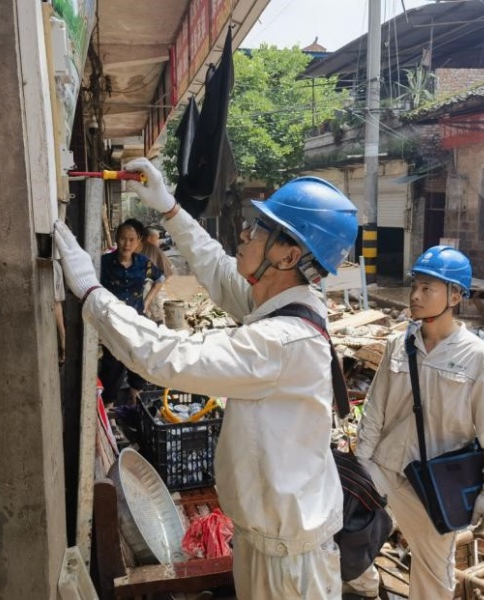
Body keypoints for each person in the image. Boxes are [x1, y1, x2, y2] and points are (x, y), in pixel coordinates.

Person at [54, 158, 359, 599]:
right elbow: (217, 268)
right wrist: (169, 208)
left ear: (288, 255)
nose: (245, 232)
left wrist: (90, 292)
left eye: (259, 229)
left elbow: (167, 356)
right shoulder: (285, 303)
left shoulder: (283, 341)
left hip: (290, 561)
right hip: (268, 543)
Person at [355, 246, 484, 600]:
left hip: (434, 485)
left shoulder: (478, 359)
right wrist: (361, 463)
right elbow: (375, 408)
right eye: (416, 285)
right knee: (340, 529)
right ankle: (365, 590)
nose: (415, 295)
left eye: (428, 288)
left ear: (455, 295)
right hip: (386, 466)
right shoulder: (399, 345)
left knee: (431, 575)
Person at [98, 218, 165, 405]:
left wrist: (147, 301)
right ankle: (108, 405)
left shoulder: (143, 263)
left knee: (138, 358)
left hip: (136, 319)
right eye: (122, 239)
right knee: (113, 363)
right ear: (117, 239)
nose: (126, 244)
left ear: (138, 241)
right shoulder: (104, 263)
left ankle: (136, 398)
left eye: (131, 239)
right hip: (112, 322)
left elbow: (160, 278)